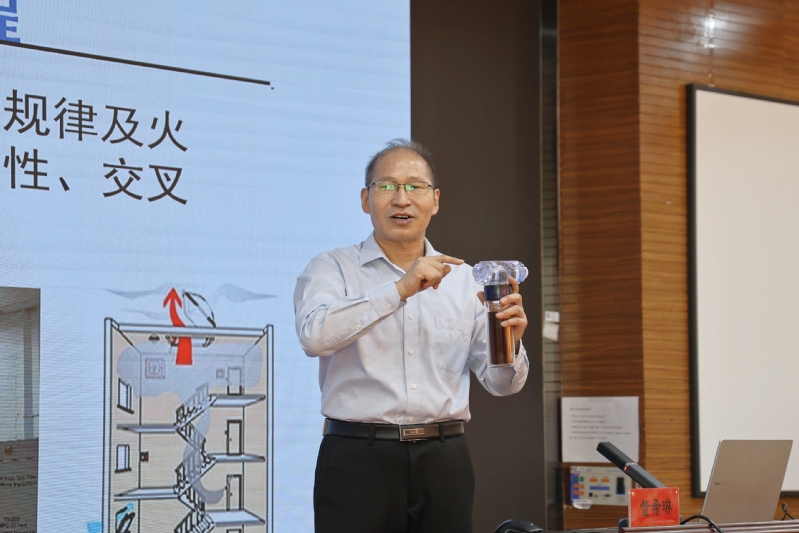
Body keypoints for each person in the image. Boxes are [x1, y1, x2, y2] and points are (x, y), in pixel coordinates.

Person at [293, 139, 529, 533]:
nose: (401, 199)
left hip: (444, 459)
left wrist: (512, 343)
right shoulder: (331, 268)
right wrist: (399, 290)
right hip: (357, 459)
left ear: (435, 200)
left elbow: (502, 385)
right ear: (366, 200)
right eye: (386, 186)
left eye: (415, 187)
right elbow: (314, 337)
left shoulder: (466, 280)